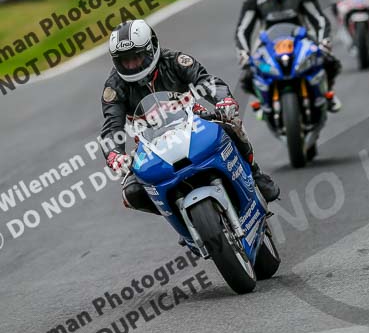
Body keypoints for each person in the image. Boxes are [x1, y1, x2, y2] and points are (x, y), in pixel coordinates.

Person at [100, 19, 280, 218]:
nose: (132, 64)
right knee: (132, 192)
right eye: (125, 60)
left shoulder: (174, 60)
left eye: (137, 57)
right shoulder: (114, 87)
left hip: (194, 121)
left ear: (151, 48)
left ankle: (255, 174)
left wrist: (224, 100)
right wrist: (115, 155)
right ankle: (179, 216)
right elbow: (111, 128)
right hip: (152, 142)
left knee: (231, 125)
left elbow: (206, 80)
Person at [235, 0, 342, 112]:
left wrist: (324, 40)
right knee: (247, 75)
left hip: (301, 39)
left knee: (329, 61)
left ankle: (328, 93)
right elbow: (243, 30)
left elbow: (319, 19)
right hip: (267, 43)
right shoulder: (253, 0)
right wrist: (244, 52)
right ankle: (262, 102)